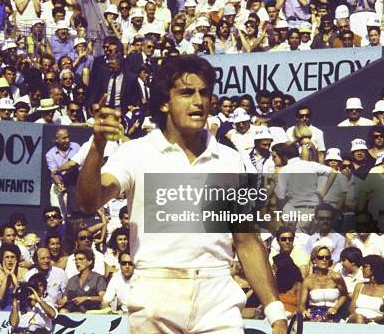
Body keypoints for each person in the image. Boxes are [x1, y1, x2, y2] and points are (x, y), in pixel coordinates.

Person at [76, 55, 288, 332]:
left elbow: (246, 240)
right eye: (186, 93)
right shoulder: (136, 153)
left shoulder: (230, 160)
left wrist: (276, 313)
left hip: (218, 296)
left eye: (205, 93)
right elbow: (89, 201)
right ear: (165, 102)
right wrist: (98, 144)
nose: (199, 102)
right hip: (155, 290)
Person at [298, 245, 348, 322]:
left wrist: (336, 307)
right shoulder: (308, 280)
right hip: (314, 313)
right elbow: (302, 304)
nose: (324, 260)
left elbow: (344, 295)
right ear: (314, 260)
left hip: (332, 313)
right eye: (321, 258)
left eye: (327, 257)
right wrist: (304, 311)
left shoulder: (336, 277)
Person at [60, 247, 107, 313]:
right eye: (76, 260)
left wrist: (86, 298)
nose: (77, 262)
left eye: (81, 259)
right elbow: (65, 298)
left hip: (92, 311)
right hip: (74, 311)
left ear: (90, 261)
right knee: (63, 311)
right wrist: (61, 301)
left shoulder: (98, 278)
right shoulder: (72, 280)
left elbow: (103, 298)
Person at [347, 255, 384, 323]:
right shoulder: (359, 286)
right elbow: (351, 308)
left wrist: (369, 320)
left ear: (375, 268)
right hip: (355, 320)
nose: (362, 269)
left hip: (374, 323)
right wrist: (357, 316)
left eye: (365, 266)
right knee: (359, 319)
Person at [0, 243, 28, 311]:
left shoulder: (24, 272)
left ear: (17, 259)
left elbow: (23, 295)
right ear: (2, 260)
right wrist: (6, 276)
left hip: (21, 308)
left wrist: (13, 275)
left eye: (12, 257)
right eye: (7, 257)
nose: (10, 260)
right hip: (4, 309)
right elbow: (0, 297)